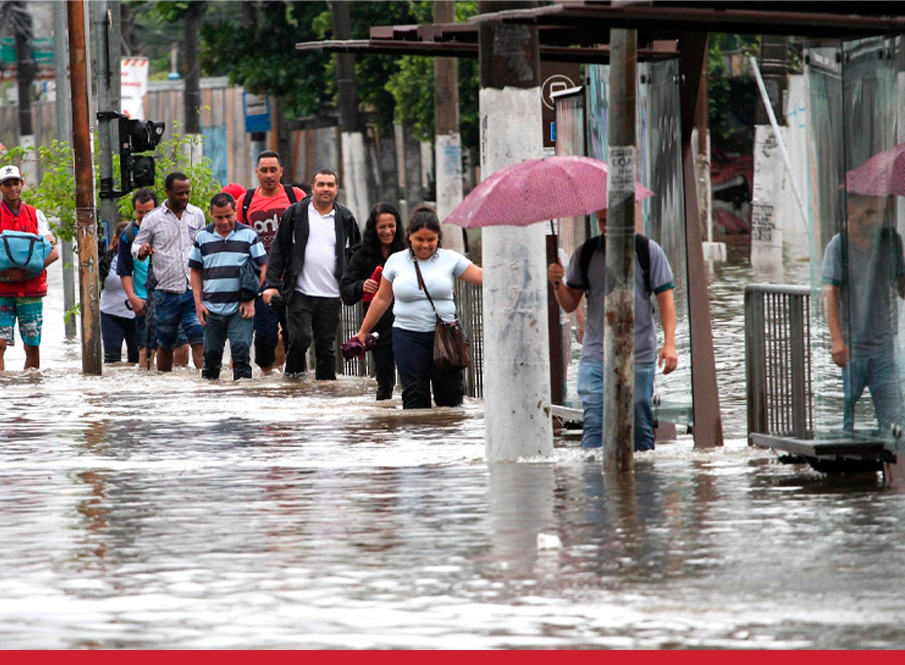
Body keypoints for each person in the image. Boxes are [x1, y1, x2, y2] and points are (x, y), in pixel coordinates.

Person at [547, 208, 678, 451]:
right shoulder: (586, 254)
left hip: (638, 352)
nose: (609, 227)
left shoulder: (648, 251)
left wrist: (669, 344)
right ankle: (595, 485)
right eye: (603, 221)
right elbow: (569, 303)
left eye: (614, 220)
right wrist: (557, 283)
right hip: (596, 353)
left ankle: (643, 482)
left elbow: (666, 301)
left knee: (639, 424)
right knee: (594, 424)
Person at [355, 206, 483, 409]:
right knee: (414, 396)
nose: (425, 245)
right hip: (407, 336)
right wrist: (363, 331)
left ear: (438, 238)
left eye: (430, 240)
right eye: (419, 240)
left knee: (449, 400)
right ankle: (417, 438)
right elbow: (382, 299)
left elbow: (480, 277)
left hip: (446, 336)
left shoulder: (450, 259)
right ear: (409, 237)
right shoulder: (396, 261)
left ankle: (447, 438)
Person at [262, 168, 361, 379]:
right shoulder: (296, 213)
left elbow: (357, 252)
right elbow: (279, 249)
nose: (326, 189)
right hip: (300, 291)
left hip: (331, 293)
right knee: (299, 339)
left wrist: (350, 285)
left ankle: (325, 393)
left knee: (326, 347)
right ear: (312, 187)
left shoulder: (345, 216)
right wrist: (271, 284)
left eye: (330, 185)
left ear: (336, 189)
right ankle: (294, 385)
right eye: (321, 184)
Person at [822, 193, 905, 435]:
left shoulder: (891, 242)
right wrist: (837, 340)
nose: (875, 219)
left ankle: (894, 465)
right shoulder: (839, 246)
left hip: (884, 348)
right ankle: (844, 463)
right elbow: (830, 294)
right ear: (850, 209)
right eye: (869, 212)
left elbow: (902, 287)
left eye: (880, 213)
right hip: (851, 349)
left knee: (894, 419)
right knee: (845, 415)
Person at [237, 151, 306, 374]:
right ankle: (266, 380)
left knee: (295, 336)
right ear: (256, 173)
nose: (269, 175)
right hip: (262, 280)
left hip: (295, 279)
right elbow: (238, 240)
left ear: (281, 172)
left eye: (273, 170)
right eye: (264, 170)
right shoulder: (245, 202)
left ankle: (295, 381)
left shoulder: (295, 195)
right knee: (265, 336)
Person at [132, 172, 206, 372]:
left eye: (187, 193)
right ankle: (164, 383)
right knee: (165, 344)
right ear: (167, 192)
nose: (184, 197)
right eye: (180, 193)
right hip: (165, 293)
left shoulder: (197, 215)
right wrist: (142, 251)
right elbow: (137, 245)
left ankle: (208, 384)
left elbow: (203, 246)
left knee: (199, 339)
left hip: (192, 291)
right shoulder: (153, 218)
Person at [189, 193, 267, 381]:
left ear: (235, 212)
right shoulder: (202, 237)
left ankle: (242, 400)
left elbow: (264, 267)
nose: (224, 221)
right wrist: (198, 304)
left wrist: (251, 299)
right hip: (211, 309)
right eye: (219, 217)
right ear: (211, 214)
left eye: (228, 216)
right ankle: (211, 402)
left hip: (240, 309)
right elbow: (195, 271)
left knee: (241, 355)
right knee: (211, 358)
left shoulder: (249, 235)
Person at [341, 202, 406, 400]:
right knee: (384, 383)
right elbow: (346, 291)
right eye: (382, 227)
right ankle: (384, 425)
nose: (388, 231)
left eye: (391, 226)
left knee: (413, 381)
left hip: (409, 324)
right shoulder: (362, 255)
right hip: (379, 330)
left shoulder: (407, 251)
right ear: (374, 229)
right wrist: (362, 286)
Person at [0, 165, 59, 371]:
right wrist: (6, 274)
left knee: (32, 345)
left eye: (16, 183)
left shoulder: (36, 215)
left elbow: (53, 251)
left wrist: (28, 272)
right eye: (7, 184)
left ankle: (33, 393)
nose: (12, 188)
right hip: (1, 291)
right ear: (1, 188)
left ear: (22, 184)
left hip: (31, 290)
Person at [100, 221, 139, 364]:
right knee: (111, 360)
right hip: (111, 314)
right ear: (116, 239)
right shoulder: (106, 259)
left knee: (138, 358)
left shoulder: (142, 257)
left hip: (138, 313)